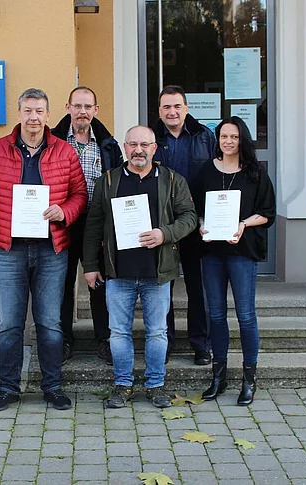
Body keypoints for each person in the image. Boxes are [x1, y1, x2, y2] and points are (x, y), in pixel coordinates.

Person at [0, 88, 88, 412]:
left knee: (50, 323)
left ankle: (52, 387)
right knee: (9, 324)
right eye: (28, 111)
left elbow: (80, 195)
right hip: (9, 251)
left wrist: (64, 211)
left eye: (39, 111)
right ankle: (8, 388)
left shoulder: (65, 151)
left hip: (52, 250)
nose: (33, 117)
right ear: (19, 113)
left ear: (48, 115)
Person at [83, 125, 198, 409]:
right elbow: (93, 225)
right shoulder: (109, 180)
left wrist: (164, 233)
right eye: (133, 144)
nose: (138, 150)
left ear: (154, 148)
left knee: (157, 332)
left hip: (156, 273)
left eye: (144, 145)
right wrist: (90, 265)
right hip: (118, 272)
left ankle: (156, 385)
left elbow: (189, 217)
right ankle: (123, 385)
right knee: (118, 332)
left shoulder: (172, 180)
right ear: (125, 147)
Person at [194, 116, 275, 406]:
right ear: (218, 139)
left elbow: (267, 213)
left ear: (243, 140)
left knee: (245, 315)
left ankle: (249, 379)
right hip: (213, 253)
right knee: (216, 315)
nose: (228, 141)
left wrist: (243, 224)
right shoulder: (207, 170)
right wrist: (202, 224)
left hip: (243, 252)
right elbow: (195, 209)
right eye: (224, 136)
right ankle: (219, 377)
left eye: (234, 137)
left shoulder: (255, 172)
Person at [51, 86, 123, 365]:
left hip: (98, 226)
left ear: (96, 110)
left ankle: (104, 339)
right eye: (77, 106)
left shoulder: (108, 145)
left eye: (87, 106)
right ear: (68, 107)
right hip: (62, 223)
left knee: (100, 282)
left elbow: (117, 185)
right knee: (62, 283)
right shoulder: (53, 140)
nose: (82, 111)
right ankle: (63, 340)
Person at [152, 85, 215, 366]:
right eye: (166, 106)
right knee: (162, 288)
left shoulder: (205, 137)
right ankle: (164, 342)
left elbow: (216, 177)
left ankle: (201, 344)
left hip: (197, 225)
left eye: (177, 106)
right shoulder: (150, 138)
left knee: (198, 288)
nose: (172, 112)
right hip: (162, 227)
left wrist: (211, 218)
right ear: (159, 111)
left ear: (186, 108)